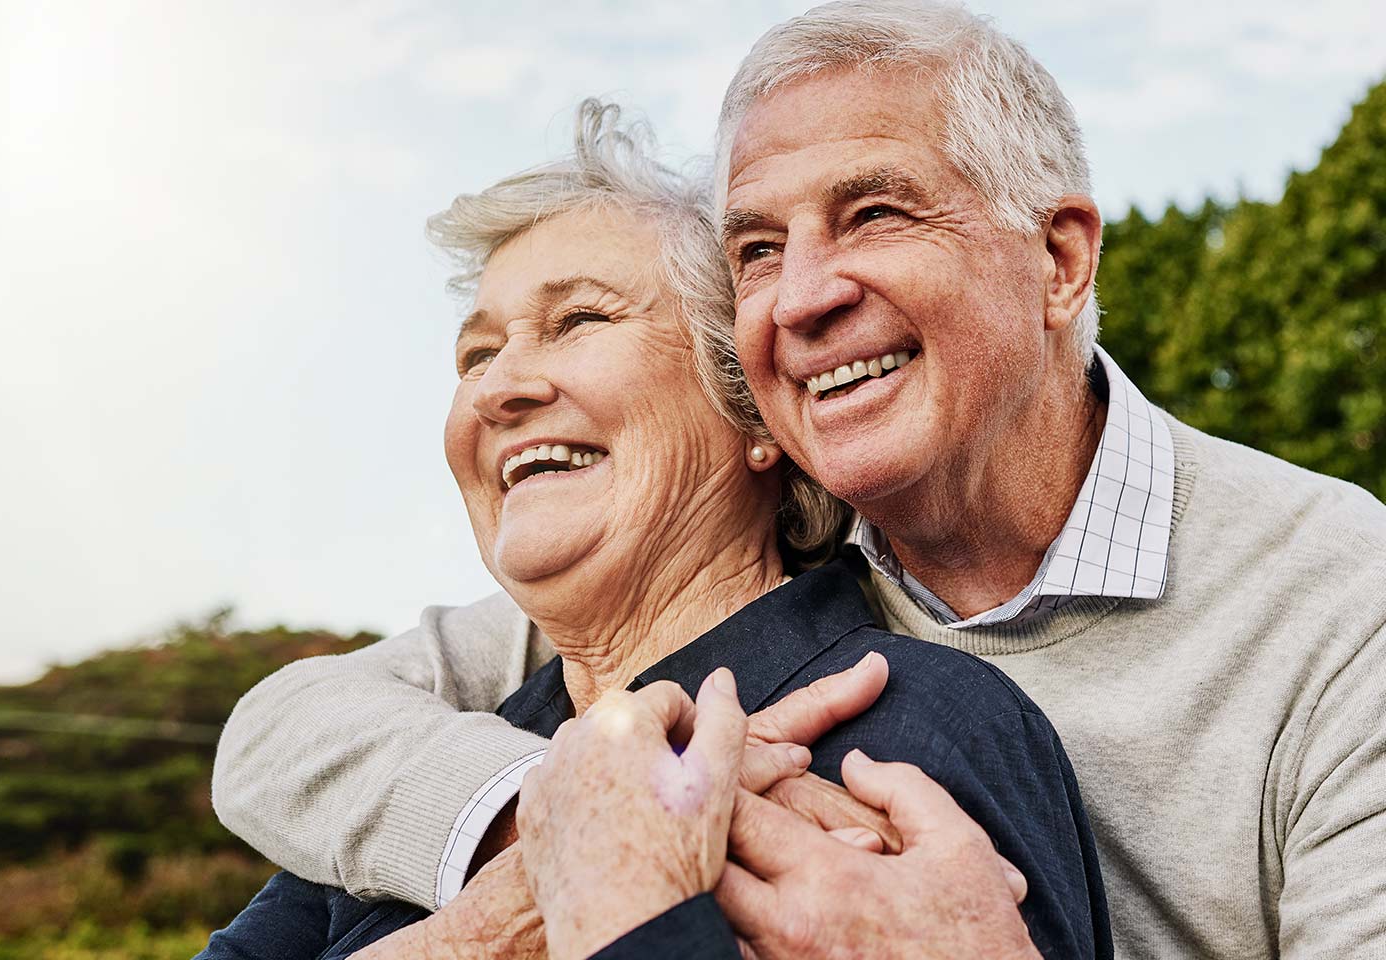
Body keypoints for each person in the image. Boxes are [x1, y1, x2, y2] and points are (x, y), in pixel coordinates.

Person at [214, 2, 1386, 957]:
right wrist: (569, 828)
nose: (804, 296)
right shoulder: (592, 676)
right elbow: (281, 730)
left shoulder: (1340, 603)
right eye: (758, 251)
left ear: (1060, 259)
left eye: (875, 212)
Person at [196, 99, 1108, 960]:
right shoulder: (449, 769)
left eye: (578, 319)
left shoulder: (912, 730)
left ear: (753, 413)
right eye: (475, 353)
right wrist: (488, 926)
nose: (496, 387)